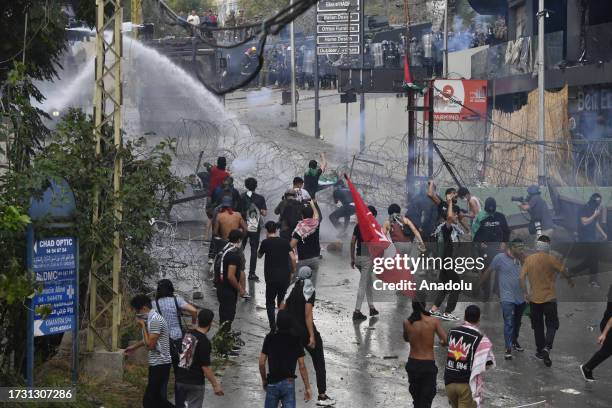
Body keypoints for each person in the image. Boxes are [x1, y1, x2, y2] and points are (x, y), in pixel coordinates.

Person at [280, 267, 335, 406]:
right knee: (319, 361)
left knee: (289, 365)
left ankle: (281, 398)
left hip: (290, 331)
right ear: (310, 275)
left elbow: (281, 308)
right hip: (304, 331)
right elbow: (308, 314)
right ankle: (322, 396)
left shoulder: (291, 287)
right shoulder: (309, 289)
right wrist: (312, 335)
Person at [520, 235, 574, 367]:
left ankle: (540, 351)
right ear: (548, 246)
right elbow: (564, 272)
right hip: (549, 298)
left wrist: (525, 293)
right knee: (552, 324)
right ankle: (547, 347)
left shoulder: (529, 260)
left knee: (537, 326)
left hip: (534, 299)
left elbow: (521, 278)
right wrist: (569, 279)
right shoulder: (551, 259)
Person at [153, 280, 199, 407]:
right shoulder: (177, 300)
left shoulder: (154, 304)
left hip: (162, 344)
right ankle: (180, 403)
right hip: (179, 342)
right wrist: (193, 324)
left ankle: (161, 403)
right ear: (171, 289)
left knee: (163, 376)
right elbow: (194, 311)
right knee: (181, 375)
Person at [125, 294, 174, 408]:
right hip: (157, 363)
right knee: (156, 398)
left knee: (149, 400)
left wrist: (142, 325)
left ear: (144, 308)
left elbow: (150, 344)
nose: (137, 314)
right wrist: (134, 347)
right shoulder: (152, 319)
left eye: (137, 310)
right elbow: (148, 339)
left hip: (161, 363)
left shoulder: (155, 320)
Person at [480, 239, 526, 360]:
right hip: (506, 297)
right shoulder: (499, 258)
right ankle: (508, 347)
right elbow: (489, 271)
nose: (522, 250)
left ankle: (514, 341)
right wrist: (480, 284)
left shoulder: (522, 258)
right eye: (519, 248)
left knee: (517, 322)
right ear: (511, 248)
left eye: (523, 248)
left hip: (520, 297)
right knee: (509, 322)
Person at [427, 181, 465, 320]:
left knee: (445, 286)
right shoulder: (446, 226)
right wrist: (449, 204)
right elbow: (449, 217)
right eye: (456, 215)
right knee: (456, 285)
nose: (457, 217)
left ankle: (434, 308)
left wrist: (467, 229)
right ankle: (448, 312)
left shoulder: (452, 227)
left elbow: (456, 219)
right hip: (446, 260)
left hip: (444, 260)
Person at [259, 310, 312, 408]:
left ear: (277, 322)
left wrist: (264, 380)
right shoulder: (296, 340)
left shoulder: (269, 338)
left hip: (272, 382)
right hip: (288, 383)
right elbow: (302, 365)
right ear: (291, 323)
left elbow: (262, 362)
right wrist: (307, 387)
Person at [444, 305, 495, 408]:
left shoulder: (452, 332)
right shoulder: (481, 339)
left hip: (449, 383)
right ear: (479, 318)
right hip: (465, 386)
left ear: (464, 316)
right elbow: (488, 363)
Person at [175, 309, 224, 407]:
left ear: (197, 320)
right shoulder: (204, 342)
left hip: (180, 379)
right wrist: (215, 385)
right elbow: (205, 367)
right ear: (210, 323)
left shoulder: (187, 334)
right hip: (195, 382)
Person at [403, 302, 447, 408]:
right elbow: (445, 340)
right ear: (424, 305)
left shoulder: (407, 322)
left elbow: (406, 338)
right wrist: (440, 343)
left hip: (413, 364)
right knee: (426, 400)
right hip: (428, 365)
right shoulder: (433, 321)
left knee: (416, 399)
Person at [258, 221, 297, 330]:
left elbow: (259, 255)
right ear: (276, 230)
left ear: (266, 230)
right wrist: (293, 271)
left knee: (270, 301)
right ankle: (281, 325)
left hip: (271, 277)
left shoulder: (265, 242)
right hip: (285, 276)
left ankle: (272, 326)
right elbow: (293, 258)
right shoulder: (285, 242)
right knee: (281, 301)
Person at [472, 197, 511, 300]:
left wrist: (504, 242)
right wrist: (480, 244)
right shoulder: (482, 218)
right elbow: (476, 235)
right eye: (489, 209)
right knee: (486, 271)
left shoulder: (500, 217)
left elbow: (507, 231)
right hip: (486, 249)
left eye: (492, 208)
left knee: (500, 270)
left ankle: (497, 290)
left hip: (499, 247)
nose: (490, 211)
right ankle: (486, 293)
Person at [571, 193, 607, 288]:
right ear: (594, 201)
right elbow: (584, 222)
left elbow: (595, 223)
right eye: (599, 201)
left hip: (591, 237)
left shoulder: (593, 208)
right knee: (594, 259)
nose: (599, 204)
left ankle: (571, 271)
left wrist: (603, 234)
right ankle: (592, 282)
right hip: (584, 237)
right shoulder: (585, 208)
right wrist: (595, 215)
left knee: (590, 260)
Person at [350, 205, 380, 321]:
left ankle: (371, 307)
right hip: (367, 259)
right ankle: (357, 311)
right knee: (363, 284)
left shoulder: (358, 226)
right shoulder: (374, 228)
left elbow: (352, 242)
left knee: (368, 282)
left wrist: (352, 258)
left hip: (358, 258)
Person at [216, 229, 247, 331]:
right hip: (228, 291)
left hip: (221, 288)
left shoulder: (224, 250)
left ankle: (223, 338)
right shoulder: (234, 255)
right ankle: (223, 341)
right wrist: (240, 289)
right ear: (239, 240)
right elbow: (230, 276)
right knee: (228, 317)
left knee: (224, 316)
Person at [580, 284, 612, 381]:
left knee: (607, 350)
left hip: (607, 322)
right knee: (607, 350)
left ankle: (587, 368)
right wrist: (604, 333)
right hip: (609, 325)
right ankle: (587, 367)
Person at [239, 177, 267, 282]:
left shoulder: (241, 197)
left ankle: (238, 268)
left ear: (246, 186)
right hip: (254, 225)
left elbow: (237, 210)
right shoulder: (260, 198)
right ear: (256, 186)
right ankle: (252, 273)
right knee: (254, 250)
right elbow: (264, 213)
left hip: (243, 225)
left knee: (240, 247)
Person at [290, 201, 321, 283]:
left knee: (296, 282)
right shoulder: (316, 224)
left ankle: (294, 295)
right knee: (311, 284)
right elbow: (317, 215)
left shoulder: (300, 227)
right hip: (315, 258)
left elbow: (292, 245)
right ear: (312, 215)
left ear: (302, 216)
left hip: (303, 259)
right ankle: (310, 296)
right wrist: (313, 205)